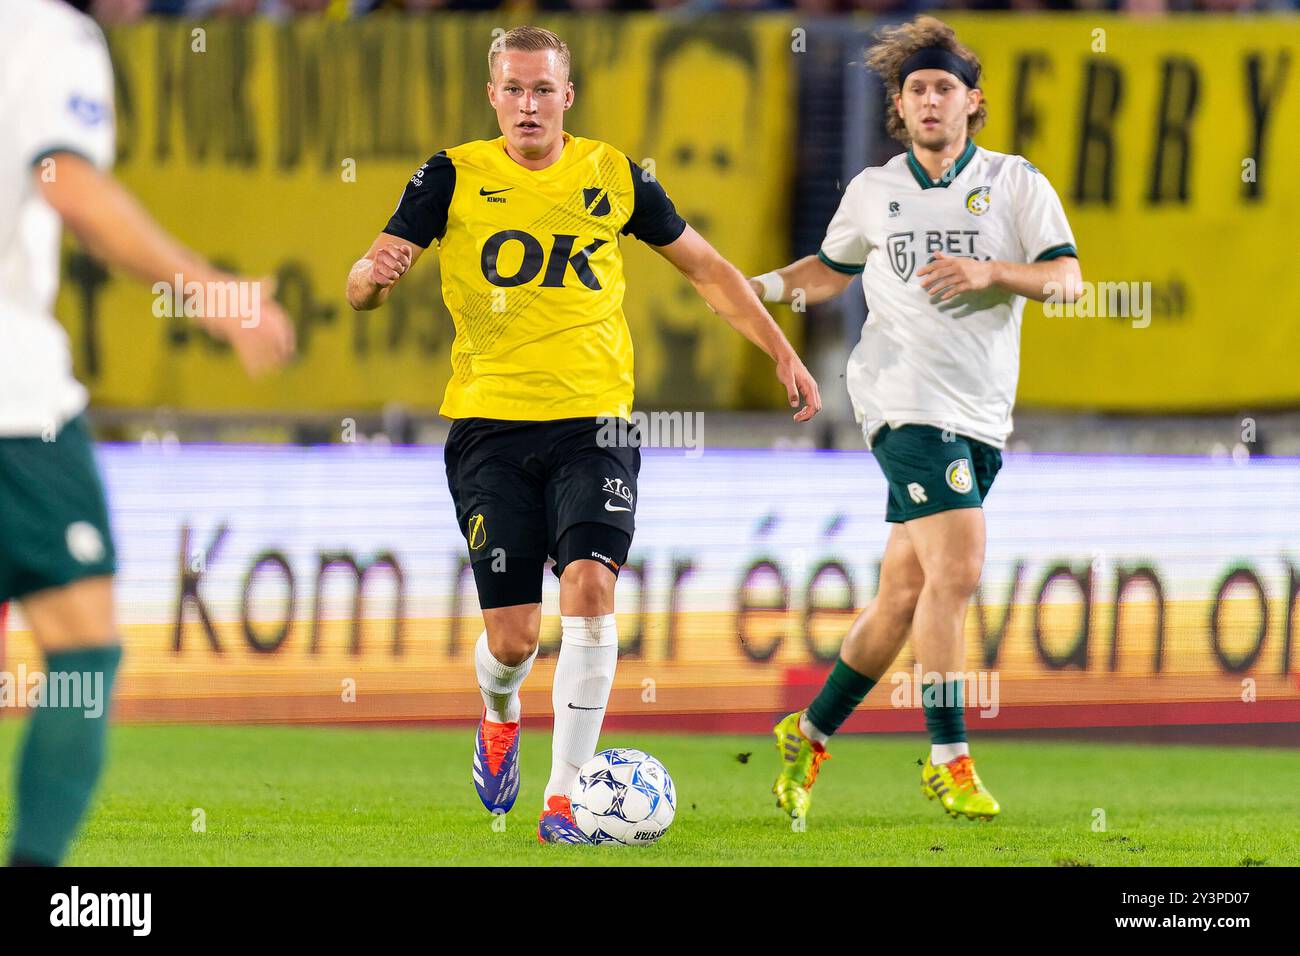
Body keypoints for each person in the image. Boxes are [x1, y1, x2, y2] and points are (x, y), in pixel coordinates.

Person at [347, 25, 820, 843]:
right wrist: (369, 282)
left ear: (568, 96)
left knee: (593, 591)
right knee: (513, 638)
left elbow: (706, 268)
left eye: (543, 89)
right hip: (489, 429)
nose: (528, 104)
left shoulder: (613, 174)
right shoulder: (450, 175)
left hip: (594, 424)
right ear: (492, 95)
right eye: (513, 89)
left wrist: (782, 350)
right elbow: (368, 278)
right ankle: (499, 716)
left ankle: (563, 800)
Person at [752, 15, 1080, 822]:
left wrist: (990, 270)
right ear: (899, 108)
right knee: (960, 569)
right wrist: (747, 286)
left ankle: (810, 729)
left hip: (980, 411)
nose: (929, 101)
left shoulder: (1016, 184)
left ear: (973, 102)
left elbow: (1068, 282)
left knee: (904, 593)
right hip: (902, 401)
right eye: (915, 90)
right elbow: (827, 276)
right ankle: (949, 758)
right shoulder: (874, 190)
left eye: (944, 88)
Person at [1, 0, 295, 866]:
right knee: (83, 640)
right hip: (12, 404)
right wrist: (215, 293)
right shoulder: (52, 34)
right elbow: (71, 184)